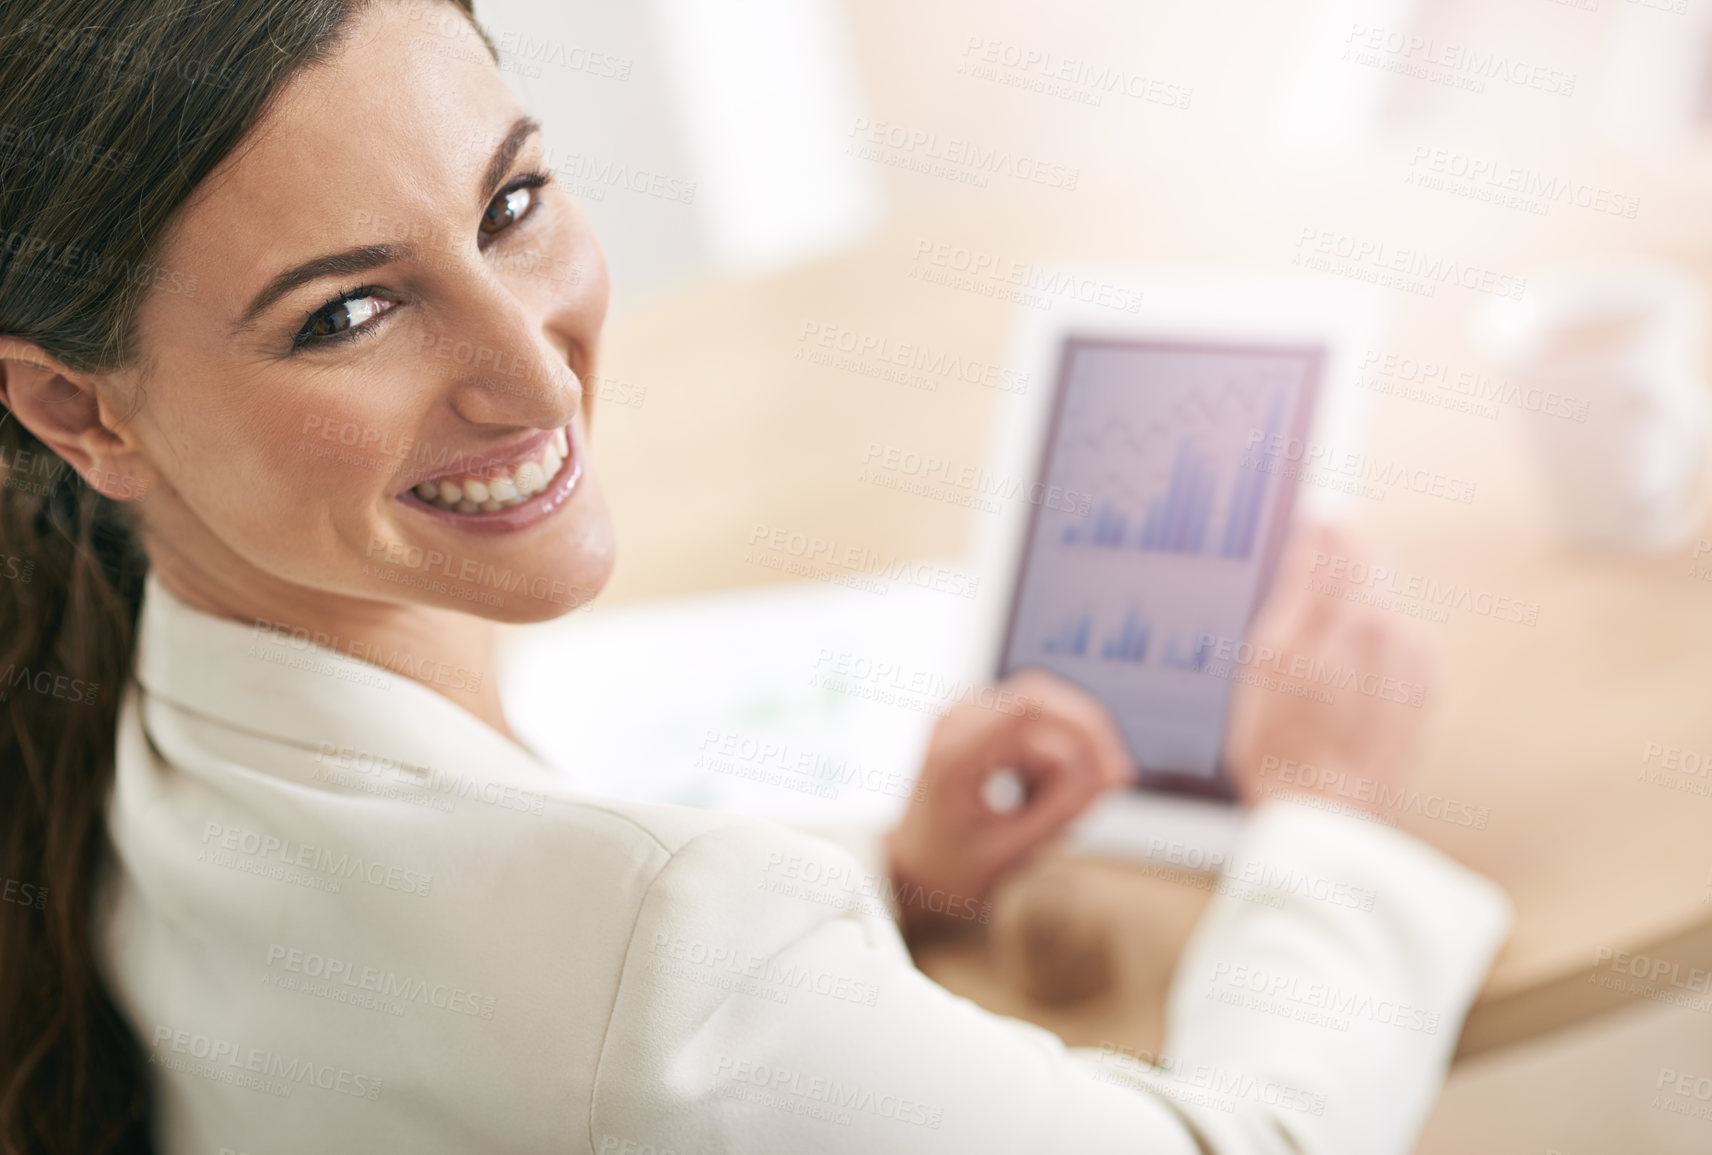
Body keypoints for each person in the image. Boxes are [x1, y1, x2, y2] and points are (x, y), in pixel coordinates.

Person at [0, 1, 1509, 1152]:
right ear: (79, 409)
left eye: (512, 206)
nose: (534, 376)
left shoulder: (152, 713)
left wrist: (886, 876)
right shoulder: (668, 939)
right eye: (345, 316)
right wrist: (1329, 818)